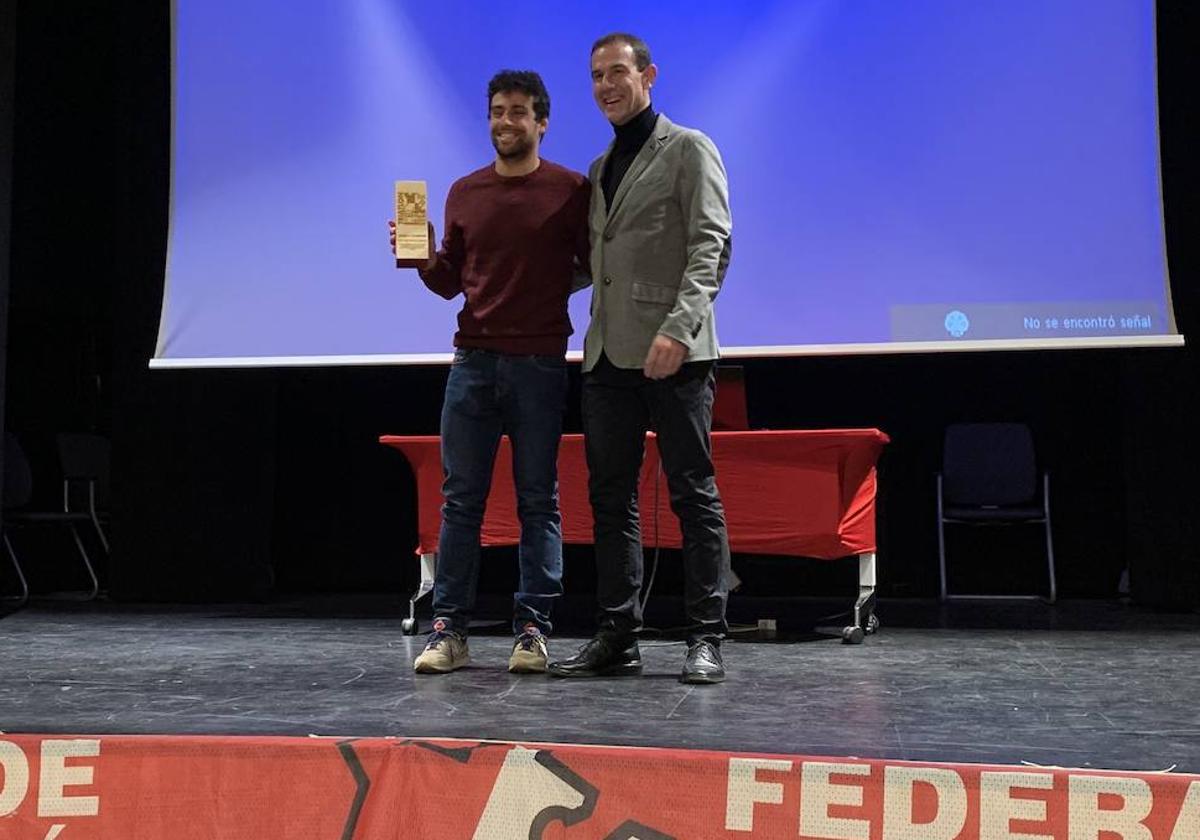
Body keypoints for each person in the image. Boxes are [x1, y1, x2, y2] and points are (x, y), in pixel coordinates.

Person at [390, 70, 590, 675]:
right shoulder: (463, 192)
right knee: (461, 503)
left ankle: (533, 630)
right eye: (497, 111)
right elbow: (452, 281)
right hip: (472, 361)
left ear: (542, 121)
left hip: (539, 363)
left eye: (519, 112)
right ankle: (448, 629)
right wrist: (423, 258)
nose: (506, 122)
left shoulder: (571, 189)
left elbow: (587, 263)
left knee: (538, 501)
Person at [547, 34, 733, 684]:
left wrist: (679, 329)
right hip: (605, 355)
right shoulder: (599, 170)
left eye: (617, 72)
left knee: (693, 495)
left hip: (676, 353)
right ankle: (617, 635)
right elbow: (591, 267)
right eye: (596, 75)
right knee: (609, 500)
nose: (605, 85)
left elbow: (712, 244)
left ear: (648, 75)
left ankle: (706, 637)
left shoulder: (688, 148)